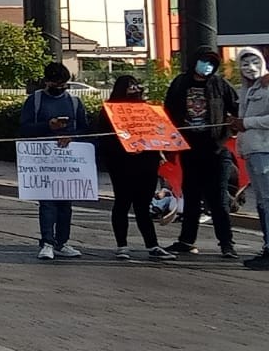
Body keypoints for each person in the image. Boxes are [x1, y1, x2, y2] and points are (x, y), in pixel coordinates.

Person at [163, 44, 239, 259]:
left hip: (216, 150)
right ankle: (187, 240)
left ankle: (227, 244)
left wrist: (233, 124)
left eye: (213, 63)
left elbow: (237, 108)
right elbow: (167, 112)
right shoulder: (180, 83)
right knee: (192, 197)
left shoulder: (220, 85)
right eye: (205, 61)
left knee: (218, 199)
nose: (208, 66)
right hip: (190, 149)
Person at [96, 75, 173, 262]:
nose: (135, 90)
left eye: (136, 86)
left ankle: (152, 244)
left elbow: (160, 134)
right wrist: (123, 151)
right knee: (122, 203)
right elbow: (104, 139)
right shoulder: (109, 111)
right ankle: (122, 245)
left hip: (147, 163)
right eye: (130, 87)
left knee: (143, 205)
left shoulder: (148, 110)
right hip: (121, 164)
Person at [21, 61, 91, 261]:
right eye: (56, 84)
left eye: (64, 85)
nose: (60, 89)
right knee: (47, 202)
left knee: (65, 203)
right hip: (43, 157)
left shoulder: (74, 102)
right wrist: (48, 126)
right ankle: (47, 242)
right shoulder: (34, 101)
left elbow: (85, 129)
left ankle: (62, 242)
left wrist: (72, 136)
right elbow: (24, 128)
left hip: (68, 159)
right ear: (46, 82)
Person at [234, 46, 269, 270]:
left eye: (255, 62)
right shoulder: (246, 90)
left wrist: (246, 124)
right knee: (262, 203)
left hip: (265, 151)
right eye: (245, 64)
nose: (250, 68)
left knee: (268, 201)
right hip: (252, 150)